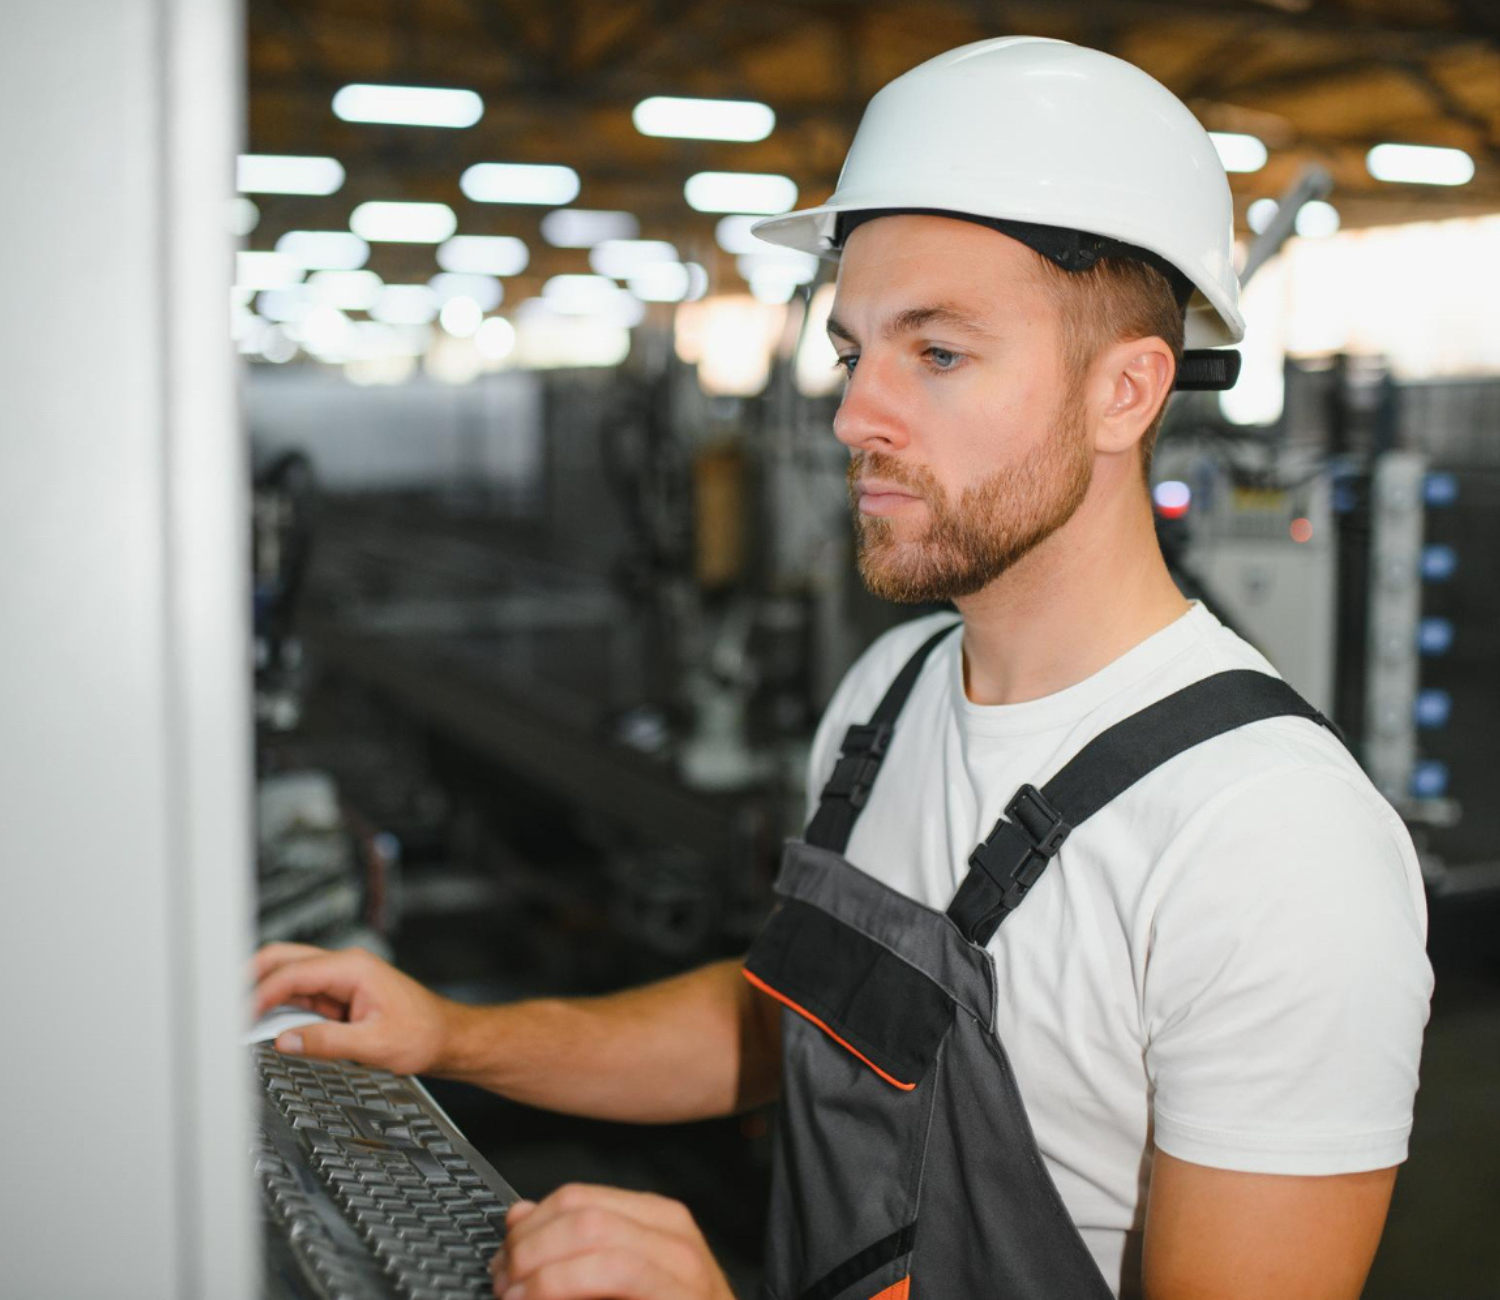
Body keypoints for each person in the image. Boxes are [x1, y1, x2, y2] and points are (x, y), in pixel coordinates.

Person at [252, 36, 1432, 1300]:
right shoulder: (891, 695)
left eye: (936, 353)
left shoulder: (1271, 843)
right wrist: (454, 1034)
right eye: (852, 351)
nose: (855, 414)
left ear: (1127, 392)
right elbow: (784, 1020)